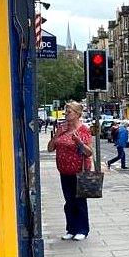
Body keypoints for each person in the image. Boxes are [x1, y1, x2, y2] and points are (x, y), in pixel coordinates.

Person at [47, 101, 93, 241]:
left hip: (79, 170)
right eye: (66, 111)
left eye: (69, 112)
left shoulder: (83, 129)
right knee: (68, 201)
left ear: (77, 114)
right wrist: (56, 136)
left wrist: (79, 142)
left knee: (79, 201)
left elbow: (89, 152)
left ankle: (82, 229)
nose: (66, 114)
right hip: (64, 170)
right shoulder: (62, 128)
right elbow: (50, 148)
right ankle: (71, 229)